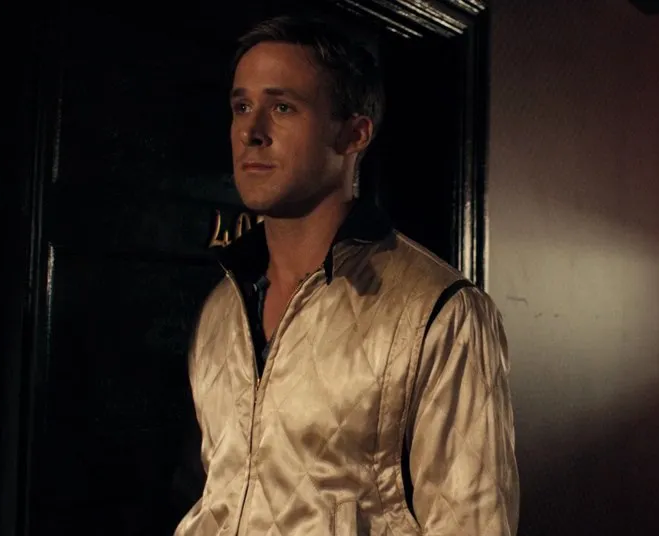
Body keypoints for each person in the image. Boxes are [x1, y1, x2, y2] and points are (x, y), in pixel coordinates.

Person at [172, 15, 519, 535]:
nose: (251, 131)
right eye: (241, 106)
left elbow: (472, 522)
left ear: (354, 133)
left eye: (282, 107)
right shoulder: (222, 308)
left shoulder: (440, 311)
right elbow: (216, 503)